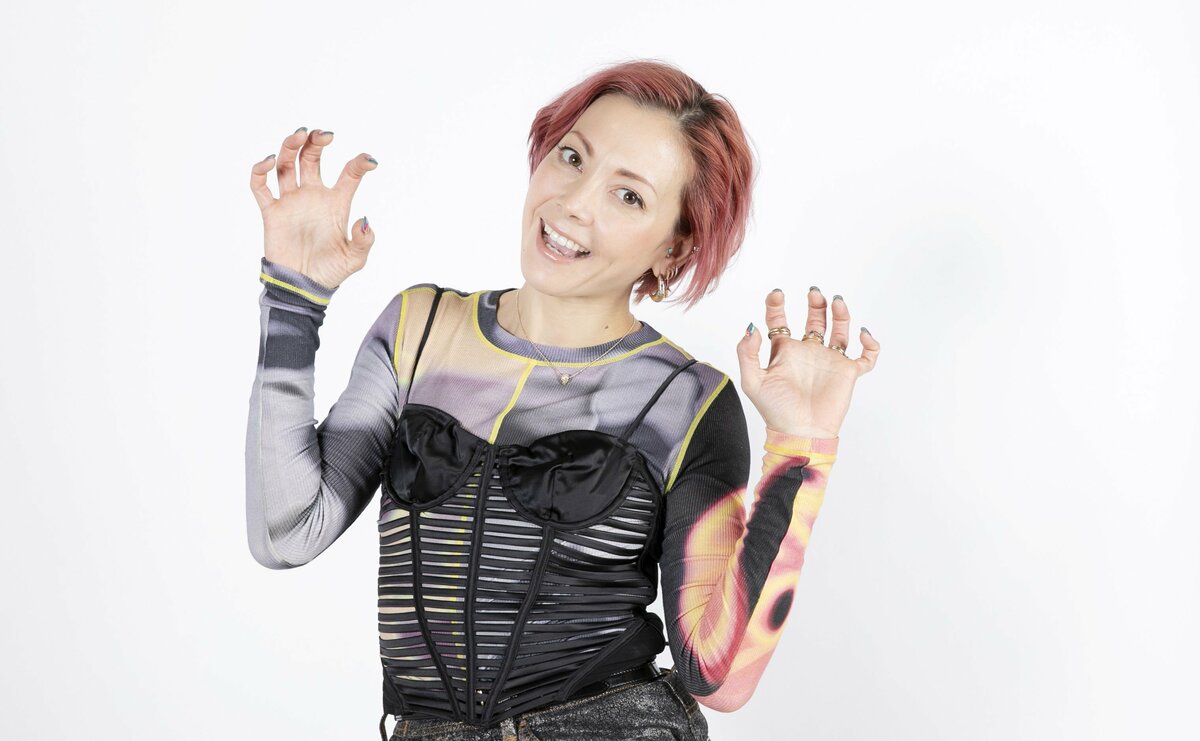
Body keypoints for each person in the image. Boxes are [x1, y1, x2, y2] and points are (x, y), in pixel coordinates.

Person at [245, 59, 880, 741]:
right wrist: (293, 299)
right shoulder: (418, 328)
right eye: (573, 157)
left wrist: (803, 448)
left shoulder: (686, 401)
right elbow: (288, 532)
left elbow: (718, 677)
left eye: (628, 196)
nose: (576, 202)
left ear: (673, 248)